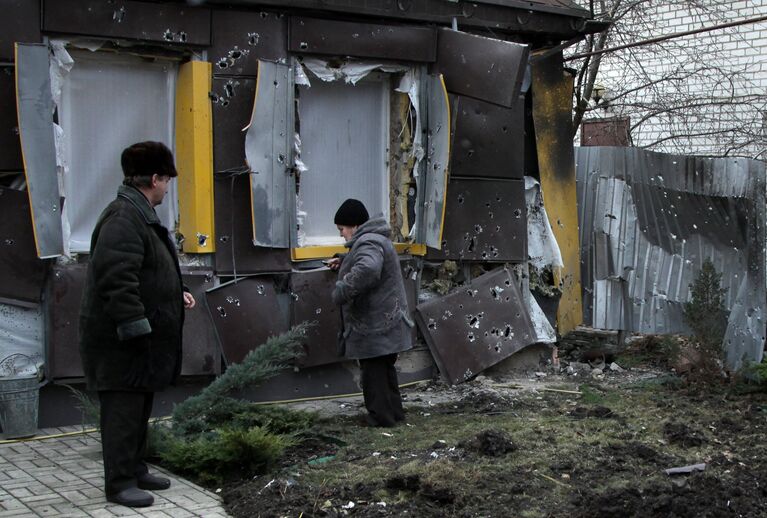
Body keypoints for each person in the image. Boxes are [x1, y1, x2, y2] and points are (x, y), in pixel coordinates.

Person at [79, 141, 195, 508]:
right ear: (155, 178)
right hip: (122, 342)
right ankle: (120, 483)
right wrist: (135, 328)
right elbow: (117, 279)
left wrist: (176, 291)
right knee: (122, 412)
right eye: (167, 181)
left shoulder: (137, 213)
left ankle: (136, 467)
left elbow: (147, 270)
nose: (167, 188)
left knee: (139, 406)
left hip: (138, 339)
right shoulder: (123, 217)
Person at [328, 199, 413, 427]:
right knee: (385, 371)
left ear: (354, 225)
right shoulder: (375, 240)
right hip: (387, 322)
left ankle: (380, 419)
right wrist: (346, 260)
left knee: (373, 374)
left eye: (342, 229)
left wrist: (342, 290)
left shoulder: (367, 242)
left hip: (375, 325)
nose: (341, 235)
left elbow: (368, 268)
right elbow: (370, 261)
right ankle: (394, 414)